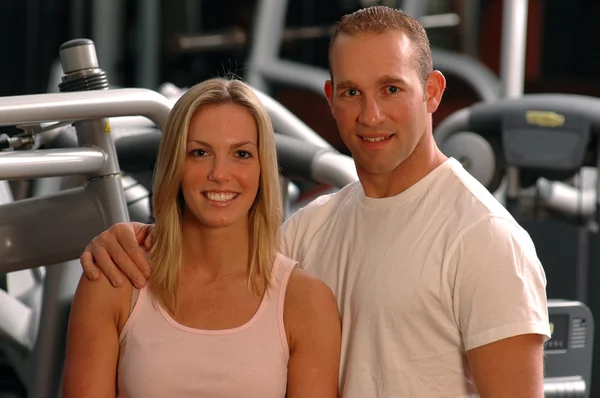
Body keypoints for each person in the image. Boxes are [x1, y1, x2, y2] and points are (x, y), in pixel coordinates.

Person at [79, 6, 550, 397]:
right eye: (351, 92)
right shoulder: (313, 227)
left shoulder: (485, 238)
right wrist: (129, 238)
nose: (370, 114)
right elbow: (218, 261)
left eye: (391, 89)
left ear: (431, 93)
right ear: (330, 99)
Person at [62, 77, 342, 398]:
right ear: (174, 165)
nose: (220, 174)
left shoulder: (306, 303)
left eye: (241, 154)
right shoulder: (114, 279)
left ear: (263, 169)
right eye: (199, 152)